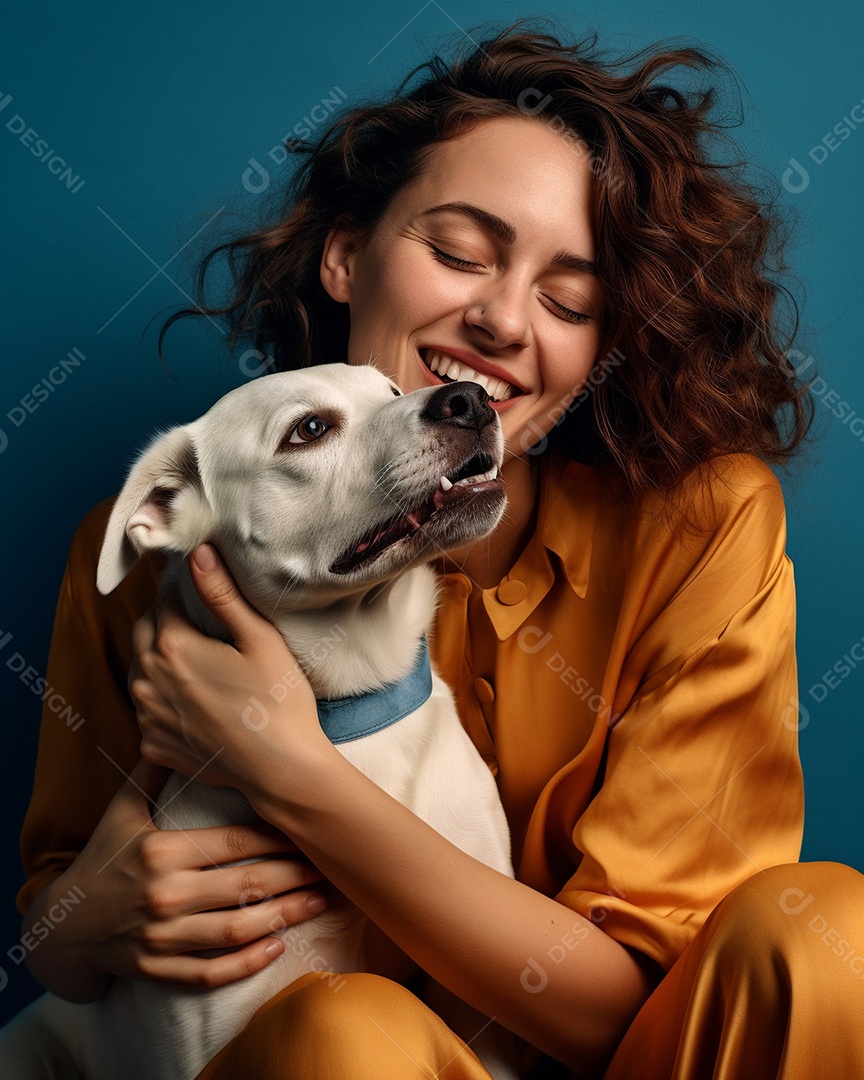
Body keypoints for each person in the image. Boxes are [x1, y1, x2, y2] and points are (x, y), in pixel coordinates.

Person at [11, 23, 864, 1080]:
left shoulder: (701, 529)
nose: (504, 319)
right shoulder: (156, 542)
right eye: (458, 253)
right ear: (344, 252)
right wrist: (86, 916)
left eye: (569, 301)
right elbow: (59, 927)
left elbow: (646, 1011)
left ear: (605, 342)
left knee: (834, 932)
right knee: (343, 1036)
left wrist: (290, 770)